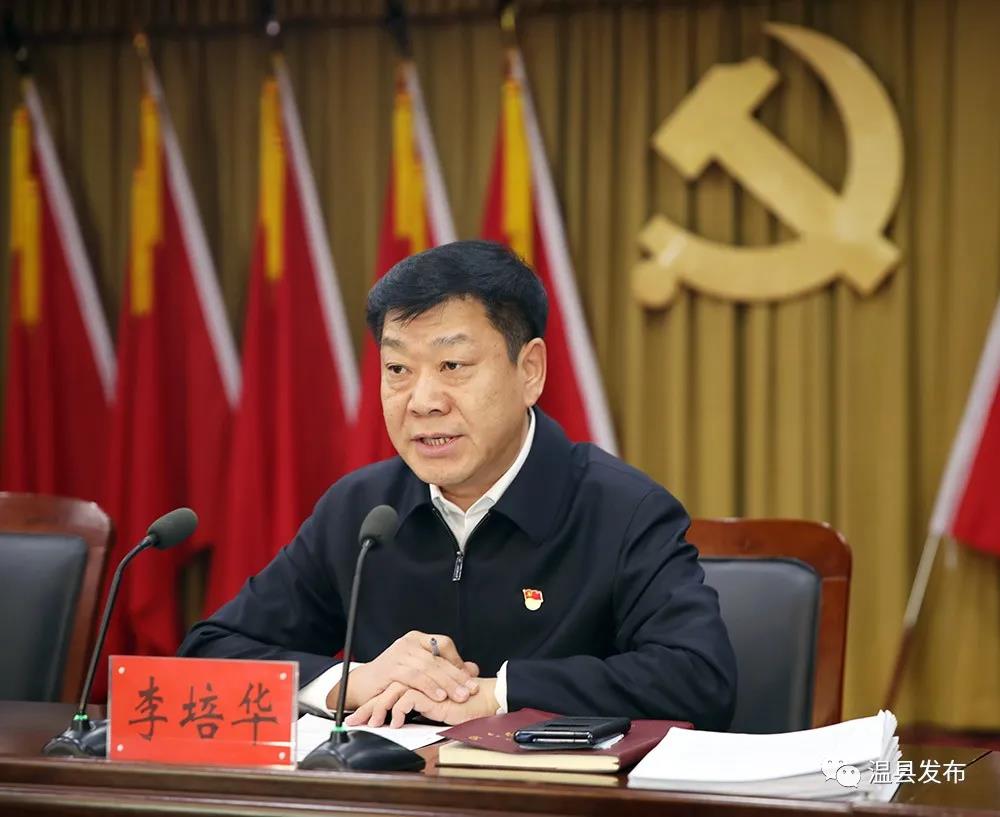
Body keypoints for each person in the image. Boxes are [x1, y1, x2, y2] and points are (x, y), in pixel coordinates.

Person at [179, 240, 737, 730]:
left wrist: (497, 694)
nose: (422, 401)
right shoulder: (361, 510)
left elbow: (699, 678)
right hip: (392, 798)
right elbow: (207, 654)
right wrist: (350, 682)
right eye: (398, 370)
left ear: (530, 371)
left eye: (453, 365)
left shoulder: (623, 510)